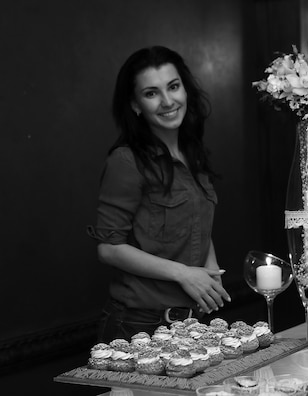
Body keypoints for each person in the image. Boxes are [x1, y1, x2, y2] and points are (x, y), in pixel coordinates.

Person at [87, 46, 231, 342]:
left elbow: (195, 219)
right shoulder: (126, 161)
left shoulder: (193, 154)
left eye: (173, 87)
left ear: (185, 90)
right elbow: (109, 247)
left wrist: (210, 265)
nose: (167, 101)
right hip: (139, 327)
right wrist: (184, 273)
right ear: (136, 105)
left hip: (194, 323)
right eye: (151, 93)